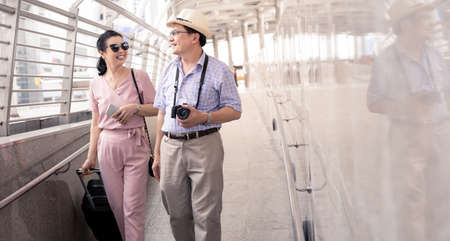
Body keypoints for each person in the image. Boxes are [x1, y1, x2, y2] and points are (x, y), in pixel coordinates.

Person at [152, 9, 242, 241]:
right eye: (170, 33)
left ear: (195, 37)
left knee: (207, 213)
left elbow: (235, 110)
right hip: (170, 147)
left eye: (176, 33)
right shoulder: (168, 70)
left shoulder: (219, 70)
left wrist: (203, 117)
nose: (170, 38)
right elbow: (162, 112)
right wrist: (157, 153)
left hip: (205, 144)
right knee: (176, 213)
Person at [367, 1, 450, 240]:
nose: (431, 23)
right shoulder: (386, 60)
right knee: (411, 203)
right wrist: (407, 105)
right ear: (405, 24)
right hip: (407, 137)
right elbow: (373, 102)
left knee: (441, 198)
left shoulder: (434, 54)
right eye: (424, 18)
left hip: (441, 132)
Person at [81, 30, 158, 241]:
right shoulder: (95, 83)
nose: (122, 51)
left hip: (135, 143)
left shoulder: (138, 75)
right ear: (102, 53)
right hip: (108, 146)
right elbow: (95, 123)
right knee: (117, 206)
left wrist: (135, 108)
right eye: (115, 47)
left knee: (133, 207)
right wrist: (90, 156)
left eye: (124, 46)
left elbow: (157, 108)